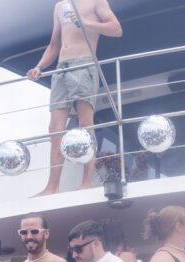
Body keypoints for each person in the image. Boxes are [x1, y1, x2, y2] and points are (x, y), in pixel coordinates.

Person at [26, 0, 122, 195]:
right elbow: (55, 44)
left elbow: (116, 29)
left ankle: (86, 181)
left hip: (84, 62)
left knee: (85, 124)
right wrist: (39, 66)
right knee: (54, 128)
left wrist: (87, 23)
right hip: (61, 67)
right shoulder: (60, 6)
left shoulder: (97, 1)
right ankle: (52, 186)